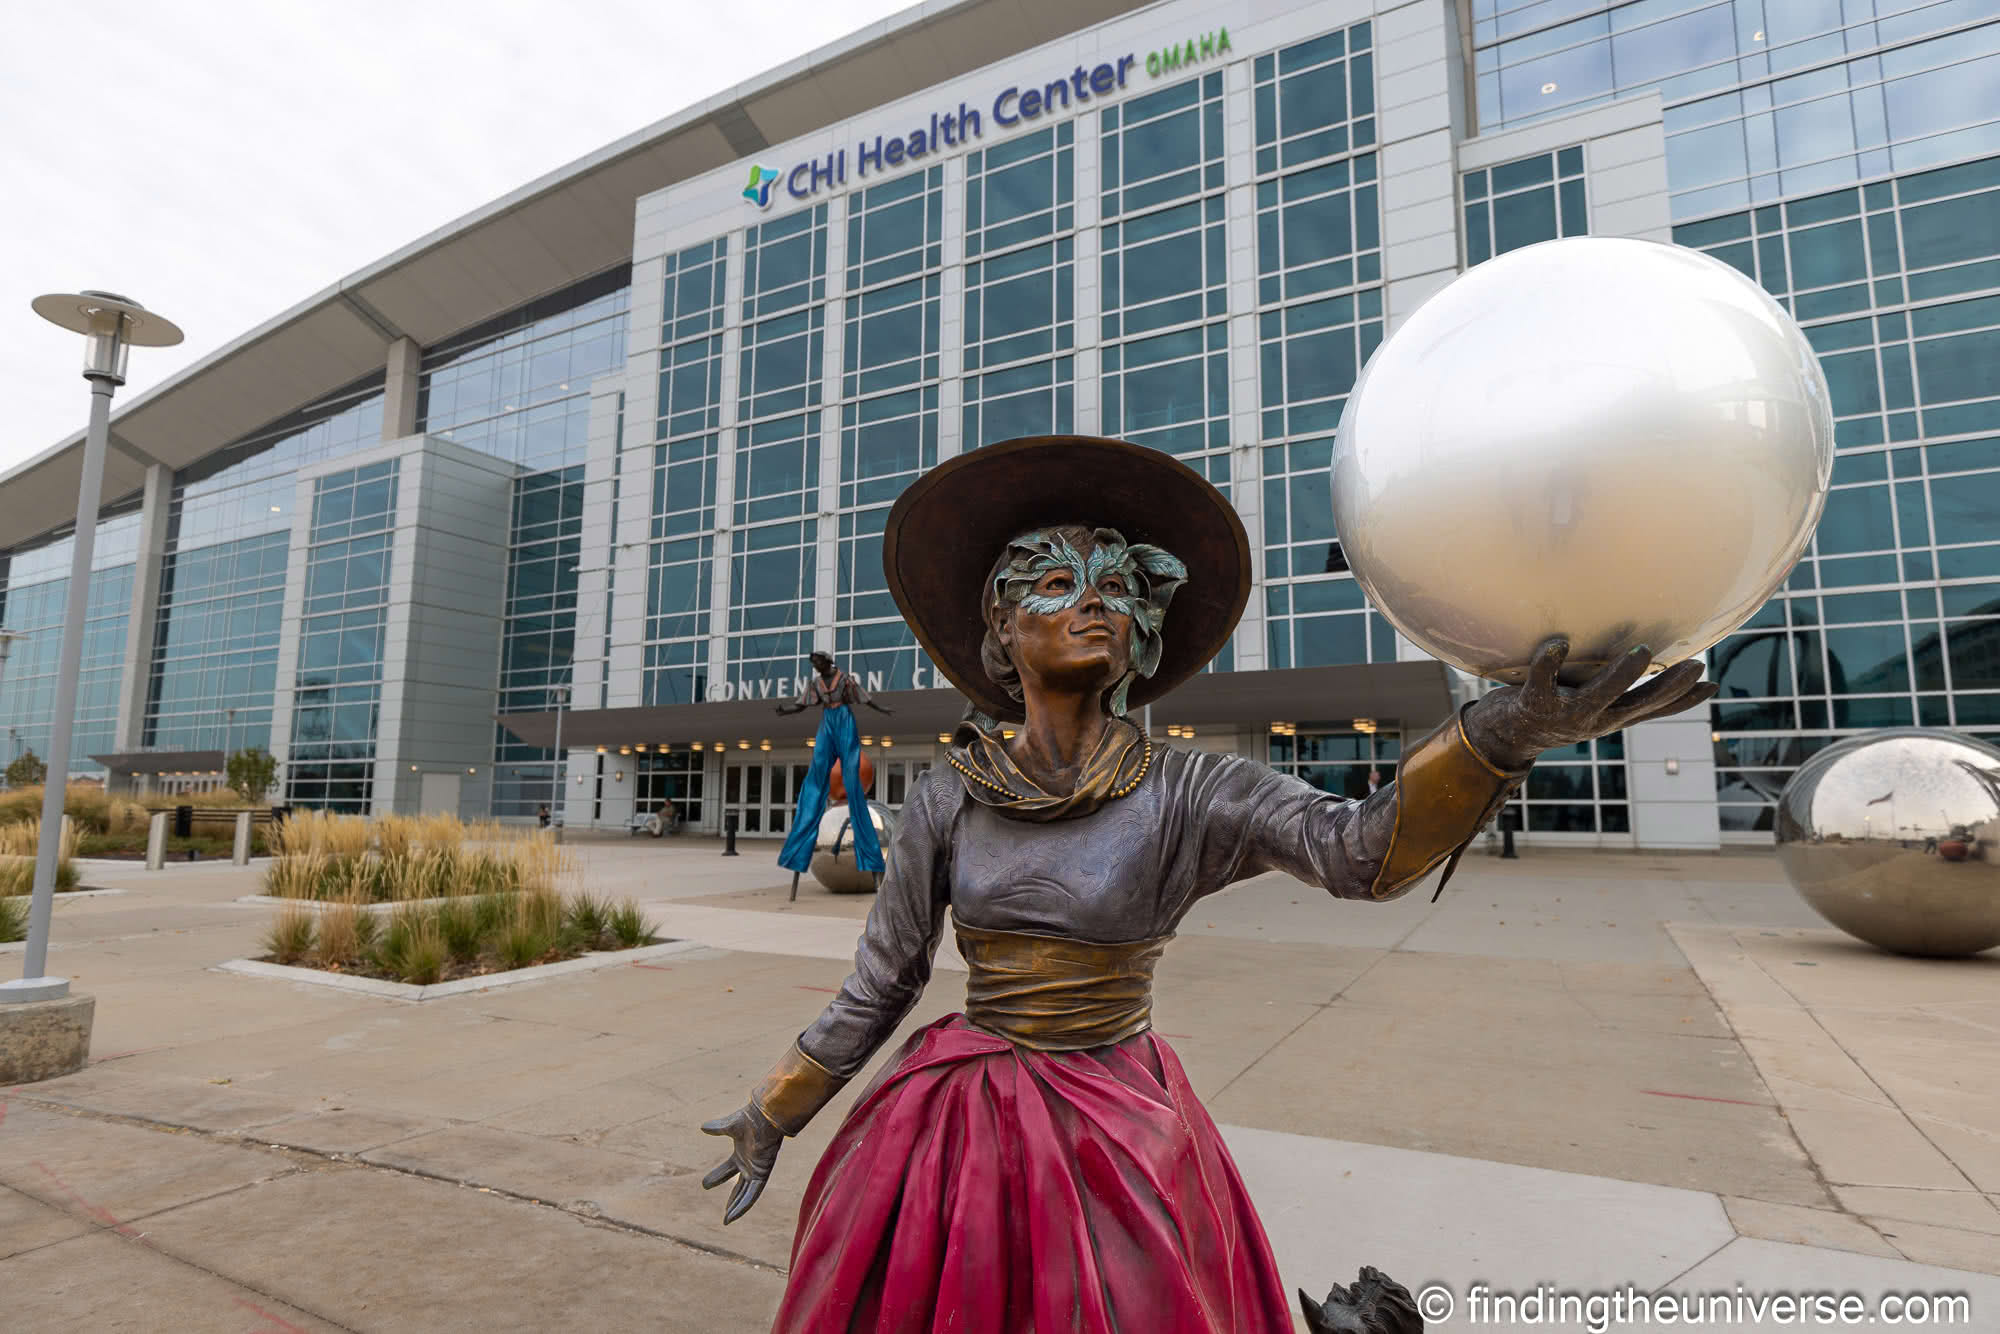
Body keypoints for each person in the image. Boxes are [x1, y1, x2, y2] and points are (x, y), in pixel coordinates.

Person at [701, 437, 1716, 1332]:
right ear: (1001, 633)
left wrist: (1498, 734)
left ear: (1139, 630)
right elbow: (880, 981)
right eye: (1051, 581)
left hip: (1117, 1119)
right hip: (958, 1126)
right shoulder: (945, 796)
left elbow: (1357, 850)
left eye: (1110, 582)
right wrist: (774, 1108)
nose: (1089, 596)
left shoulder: (1188, 787)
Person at [774, 651, 895, 894]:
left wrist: (882, 709)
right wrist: (785, 710)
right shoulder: (816, 684)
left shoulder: (843, 679)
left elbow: (864, 699)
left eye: (817, 663)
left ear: (827, 662)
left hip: (843, 719)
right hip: (827, 722)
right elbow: (800, 705)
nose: (815, 667)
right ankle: (796, 853)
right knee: (815, 778)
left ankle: (871, 859)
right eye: (813, 664)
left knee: (852, 779)